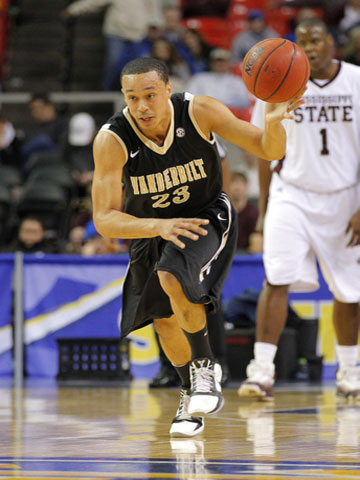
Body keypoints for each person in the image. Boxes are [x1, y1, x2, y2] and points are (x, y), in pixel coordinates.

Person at [91, 57, 304, 437]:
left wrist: (273, 125)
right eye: (132, 97)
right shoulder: (112, 139)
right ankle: (190, 394)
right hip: (153, 229)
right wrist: (159, 225)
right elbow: (104, 218)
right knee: (164, 320)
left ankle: (206, 369)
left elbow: (269, 151)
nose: (141, 106)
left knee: (173, 275)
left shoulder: (199, 110)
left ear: (168, 90)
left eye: (150, 95)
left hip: (206, 216)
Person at [238, 17, 360, 401]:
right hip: (291, 193)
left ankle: (349, 371)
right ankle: (261, 371)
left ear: (332, 43)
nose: (310, 47)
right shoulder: (276, 80)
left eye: (317, 39)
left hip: (346, 196)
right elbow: (261, 148)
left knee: (350, 291)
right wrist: (265, 205)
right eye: (303, 41)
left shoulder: (356, 81)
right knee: (276, 278)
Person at [61, 0, 163, 91]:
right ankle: (108, 91)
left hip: (138, 35)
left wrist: (155, 24)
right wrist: (73, 9)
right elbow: (94, 2)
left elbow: (154, 9)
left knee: (140, 66)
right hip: (116, 33)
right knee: (113, 62)